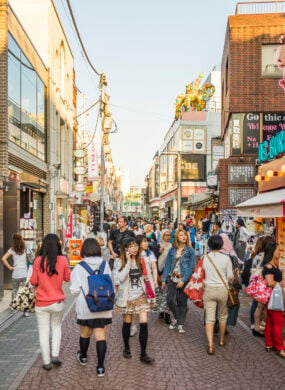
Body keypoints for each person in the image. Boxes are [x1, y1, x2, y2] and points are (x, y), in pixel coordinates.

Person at [70, 238, 113, 377]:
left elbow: (74, 290)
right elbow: (110, 282)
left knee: (85, 333)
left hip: (86, 305)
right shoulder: (105, 264)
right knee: (100, 335)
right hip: (103, 304)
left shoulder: (79, 267)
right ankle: (100, 367)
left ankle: (83, 357)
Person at [29, 234, 70, 370]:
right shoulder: (63, 260)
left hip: (41, 302)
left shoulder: (37, 261)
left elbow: (33, 281)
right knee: (56, 328)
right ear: (58, 245)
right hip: (58, 302)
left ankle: (46, 362)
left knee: (43, 331)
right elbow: (67, 278)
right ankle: (55, 356)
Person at [115, 238, 155, 364]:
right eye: (131, 246)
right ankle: (126, 348)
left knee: (144, 323)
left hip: (141, 296)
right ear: (126, 249)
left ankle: (143, 353)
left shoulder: (141, 260)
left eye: (136, 245)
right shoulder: (119, 261)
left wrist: (152, 296)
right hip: (126, 298)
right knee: (127, 323)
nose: (135, 248)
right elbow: (120, 278)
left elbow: (148, 279)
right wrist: (127, 262)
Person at [202, 235, 233, 355]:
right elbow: (230, 276)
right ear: (221, 244)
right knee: (223, 315)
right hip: (222, 289)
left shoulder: (205, 258)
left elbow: (201, 274)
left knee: (209, 318)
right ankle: (221, 340)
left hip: (208, 289)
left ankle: (210, 345)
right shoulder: (226, 258)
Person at [162, 230, 195, 334]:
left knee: (182, 301)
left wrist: (184, 280)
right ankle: (177, 318)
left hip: (183, 279)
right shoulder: (172, 250)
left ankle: (180, 323)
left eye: (185, 234)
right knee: (170, 300)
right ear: (177, 237)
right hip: (172, 279)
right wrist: (163, 279)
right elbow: (167, 265)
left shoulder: (190, 250)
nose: (184, 236)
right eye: (181, 235)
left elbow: (191, 267)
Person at [262, 241, 285, 357]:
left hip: (272, 297)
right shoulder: (269, 266)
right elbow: (270, 282)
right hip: (273, 298)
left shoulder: (272, 265)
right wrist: (281, 284)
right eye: (277, 250)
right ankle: (279, 347)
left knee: (271, 321)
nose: (279, 252)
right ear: (272, 251)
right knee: (278, 321)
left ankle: (269, 343)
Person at [2, 233, 28, 311]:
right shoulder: (26, 248)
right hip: (24, 273)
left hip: (16, 273)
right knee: (24, 291)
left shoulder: (12, 249)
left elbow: (3, 259)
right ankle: (25, 309)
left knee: (15, 290)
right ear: (22, 239)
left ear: (14, 240)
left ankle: (14, 306)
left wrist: (10, 267)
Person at [156, 230, 172, 324]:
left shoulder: (172, 246)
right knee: (161, 292)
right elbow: (154, 258)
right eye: (166, 235)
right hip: (159, 271)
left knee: (168, 293)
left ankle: (167, 314)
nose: (167, 237)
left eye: (169, 235)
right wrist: (158, 252)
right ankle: (161, 311)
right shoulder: (158, 245)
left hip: (169, 272)